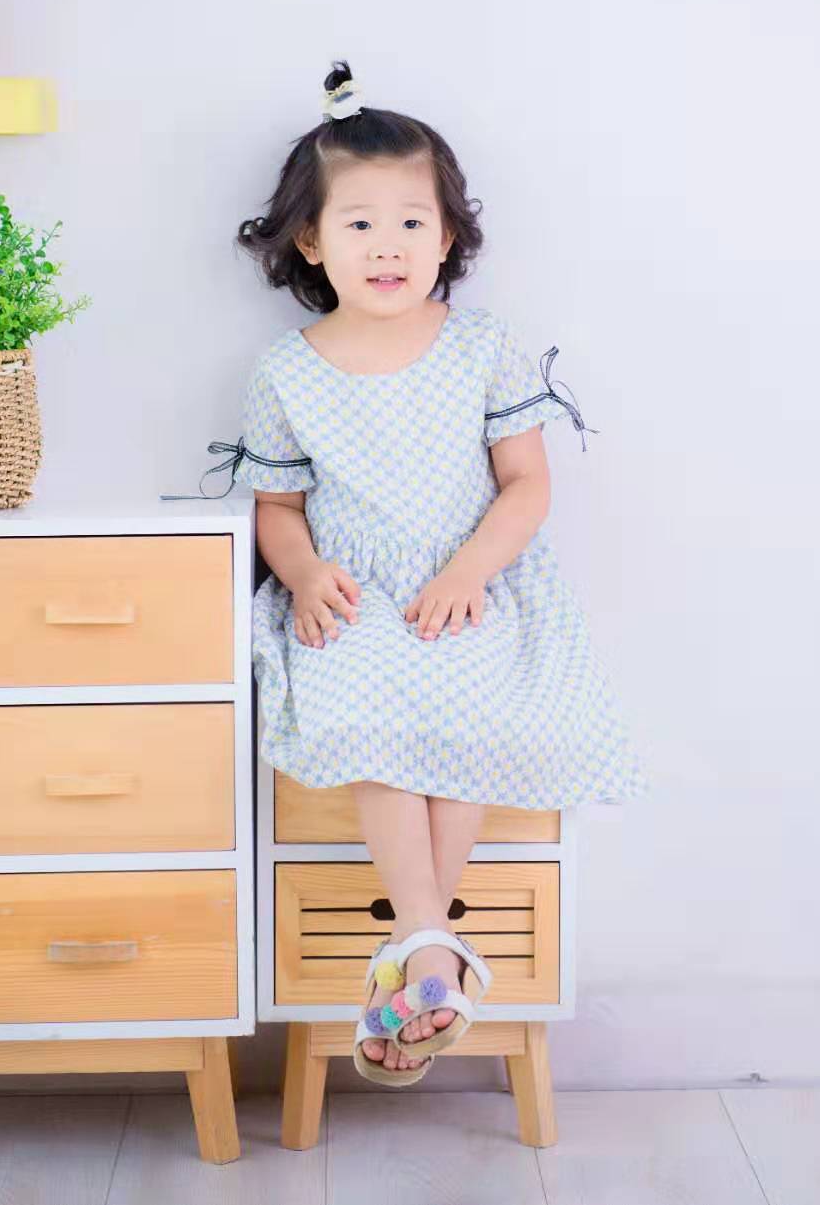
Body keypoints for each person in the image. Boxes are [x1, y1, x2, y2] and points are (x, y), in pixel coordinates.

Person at [203, 60, 651, 1084]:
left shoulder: (481, 346)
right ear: (311, 241)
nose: (389, 245)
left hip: (469, 588)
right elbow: (277, 509)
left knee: (466, 709)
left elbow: (526, 486)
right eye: (359, 223)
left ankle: (416, 958)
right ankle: (432, 954)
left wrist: (467, 574)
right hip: (356, 595)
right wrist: (303, 575)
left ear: (448, 238)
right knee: (369, 704)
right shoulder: (287, 370)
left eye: (413, 222)